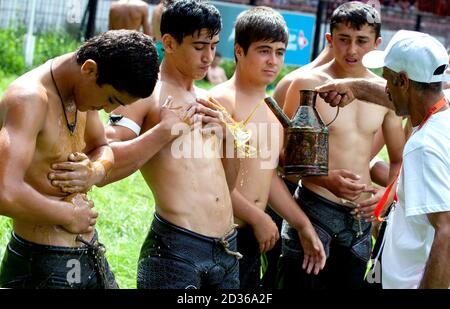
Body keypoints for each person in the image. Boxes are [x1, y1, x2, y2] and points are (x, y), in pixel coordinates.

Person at [0, 30, 159, 289]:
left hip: (88, 249)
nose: (108, 110)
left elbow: (103, 146)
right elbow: (3, 191)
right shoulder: (29, 99)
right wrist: (67, 214)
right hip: (41, 262)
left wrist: (95, 171)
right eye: (110, 100)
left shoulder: (81, 93)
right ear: (89, 69)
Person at [102, 0, 240, 289]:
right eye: (199, 46)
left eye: (213, 46)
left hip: (227, 249)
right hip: (176, 251)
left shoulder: (208, 100)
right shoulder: (147, 94)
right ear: (169, 42)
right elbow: (104, 164)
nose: (209, 56)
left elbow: (225, 188)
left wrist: (228, 139)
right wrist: (163, 132)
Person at [278, 1, 405, 289]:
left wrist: (386, 196)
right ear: (329, 39)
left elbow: (399, 158)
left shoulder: (385, 95)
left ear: (377, 44)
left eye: (362, 41)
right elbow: (282, 157)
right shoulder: (307, 83)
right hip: (314, 210)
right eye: (344, 40)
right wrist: (324, 179)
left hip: (359, 222)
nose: (352, 50)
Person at [316, 30, 450, 289]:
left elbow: (447, 230)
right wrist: (355, 87)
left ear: (403, 80)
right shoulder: (444, 113)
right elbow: (397, 95)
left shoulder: (424, 146)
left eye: (388, 79)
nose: (386, 88)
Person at [209, 6, 325, 290]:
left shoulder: (271, 107)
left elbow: (267, 176)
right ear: (239, 50)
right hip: (219, 234)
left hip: (253, 234)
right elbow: (208, 179)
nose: (273, 61)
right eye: (263, 50)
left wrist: (302, 224)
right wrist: (257, 216)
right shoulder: (222, 102)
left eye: (279, 52)